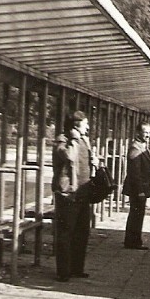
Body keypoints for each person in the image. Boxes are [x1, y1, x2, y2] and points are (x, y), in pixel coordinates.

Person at [51, 110, 96, 282]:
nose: (88, 127)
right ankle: (63, 271)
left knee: (82, 231)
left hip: (83, 192)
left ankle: (77, 268)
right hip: (68, 193)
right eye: (85, 124)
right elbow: (69, 156)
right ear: (75, 126)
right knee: (66, 232)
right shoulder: (62, 141)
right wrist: (74, 139)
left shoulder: (85, 140)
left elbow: (88, 159)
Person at [122, 122, 150, 250]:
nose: (147, 135)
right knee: (136, 214)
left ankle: (133, 240)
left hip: (141, 187)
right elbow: (135, 173)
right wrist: (140, 191)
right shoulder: (136, 148)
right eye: (145, 132)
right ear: (138, 133)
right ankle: (132, 242)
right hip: (137, 188)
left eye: (149, 132)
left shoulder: (142, 146)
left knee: (137, 214)